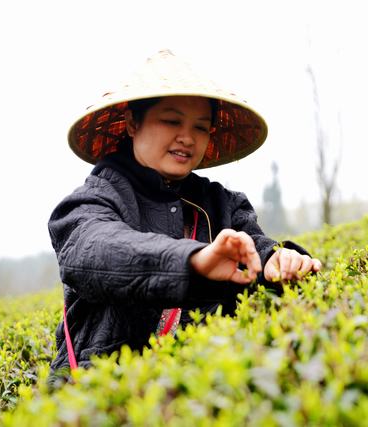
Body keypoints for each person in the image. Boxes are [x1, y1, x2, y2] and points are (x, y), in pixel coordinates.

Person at [48, 50, 321, 373]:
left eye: (201, 127)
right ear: (133, 123)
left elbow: (253, 247)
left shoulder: (222, 203)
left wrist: (276, 260)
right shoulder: (91, 201)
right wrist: (192, 261)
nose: (187, 138)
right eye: (171, 121)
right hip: (103, 392)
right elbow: (94, 249)